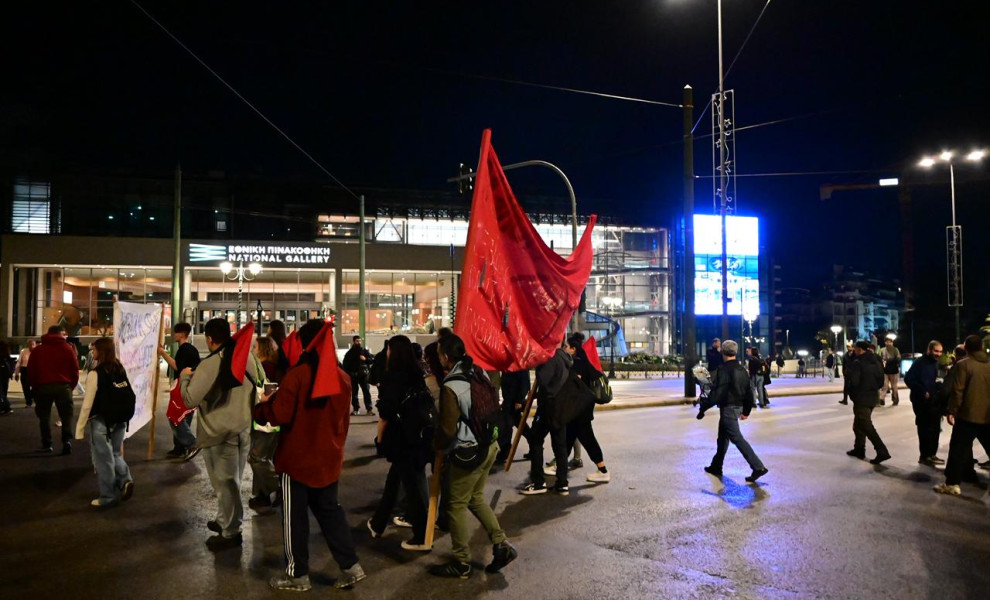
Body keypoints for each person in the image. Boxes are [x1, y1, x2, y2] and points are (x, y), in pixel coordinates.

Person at [253, 319, 366, 591]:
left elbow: (279, 416)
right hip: (328, 458)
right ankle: (350, 566)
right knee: (330, 512)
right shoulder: (343, 378)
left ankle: (297, 575)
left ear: (305, 344)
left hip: (297, 460)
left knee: (295, 518)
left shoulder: (298, 375)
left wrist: (262, 407)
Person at [429, 333, 516, 578]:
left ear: (446, 356)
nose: (439, 358)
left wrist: (436, 445)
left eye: (439, 354)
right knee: (475, 497)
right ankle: (501, 545)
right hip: (490, 445)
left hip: (468, 452)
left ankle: (462, 562)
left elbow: (447, 429)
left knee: (455, 505)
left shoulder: (450, 386)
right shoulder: (478, 372)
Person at [180, 318, 258, 551]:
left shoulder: (211, 363)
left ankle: (231, 532)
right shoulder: (248, 358)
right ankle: (225, 520)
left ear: (210, 339)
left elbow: (190, 399)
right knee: (231, 481)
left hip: (220, 431)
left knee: (226, 483)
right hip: (243, 427)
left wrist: (185, 377)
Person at [366, 335, 432, 551]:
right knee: (395, 481)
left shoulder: (392, 377)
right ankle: (377, 524)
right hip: (419, 435)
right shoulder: (417, 374)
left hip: (402, 439)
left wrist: (380, 439)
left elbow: (385, 414)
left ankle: (422, 536)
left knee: (412, 487)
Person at [74, 338, 135, 507]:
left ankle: (108, 496)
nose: (92, 353)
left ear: (101, 352)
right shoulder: (119, 368)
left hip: (102, 422)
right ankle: (125, 480)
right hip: (120, 420)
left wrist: (79, 429)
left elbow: (87, 404)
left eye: (94, 350)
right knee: (115, 454)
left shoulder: (96, 373)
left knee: (104, 460)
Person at [701, 340, 768, 482]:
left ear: (723, 352)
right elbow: (749, 392)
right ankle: (716, 466)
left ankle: (757, 466)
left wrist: (703, 407)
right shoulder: (742, 369)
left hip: (728, 408)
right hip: (737, 408)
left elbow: (718, 393)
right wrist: (746, 411)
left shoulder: (724, 370)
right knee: (722, 439)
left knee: (736, 438)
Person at [934, 335, 990, 496]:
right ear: (981, 347)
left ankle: (952, 483)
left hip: (968, 416)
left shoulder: (963, 365)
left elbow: (957, 391)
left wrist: (952, 411)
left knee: (958, 450)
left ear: (966, 348)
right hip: (987, 416)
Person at [552, 332, 610, 483]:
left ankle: (603, 470)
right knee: (569, 436)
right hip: (581, 407)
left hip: (580, 408)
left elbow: (574, 383)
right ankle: (559, 464)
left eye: (566, 347)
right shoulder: (583, 359)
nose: (564, 348)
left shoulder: (577, 362)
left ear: (573, 349)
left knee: (587, 438)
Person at [520, 342, 574, 496]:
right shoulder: (565, 358)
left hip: (548, 407)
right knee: (560, 446)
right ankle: (562, 483)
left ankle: (538, 482)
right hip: (560, 406)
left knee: (535, 440)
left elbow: (543, 380)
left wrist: (539, 366)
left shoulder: (551, 358)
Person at [29, 326, 79, 455]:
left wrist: (35, 387)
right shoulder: (67, 348)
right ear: (60, 334)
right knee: (66, 416)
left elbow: (31, 371)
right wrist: (70, 386)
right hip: (63, 386)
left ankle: (47, 443)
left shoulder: (38, 350)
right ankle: (66, 441)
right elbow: (75, 370)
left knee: (44, 417)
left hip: (43, 387)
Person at [157, 322, 201, 459]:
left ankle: (191, 444)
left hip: (181, 386)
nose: (174, 335)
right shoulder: (192, 349)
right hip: (191, 387)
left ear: (182, 334)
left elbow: (177, 367)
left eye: (175, 332)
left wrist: (163, 353)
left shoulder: (184, 350)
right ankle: (179, 448)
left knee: (174, 416)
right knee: (184, 416)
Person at [248, 336, 281, 512]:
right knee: (262, 457)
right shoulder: (268, 367)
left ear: (262, 350)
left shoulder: (266, 368)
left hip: (266, 420)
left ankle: (278, 486)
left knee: (257, 457)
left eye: (255, 347)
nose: (253, 350)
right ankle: (262, 496)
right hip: (265, 418)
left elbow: (267, 395)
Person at [845, 341, 890, 464]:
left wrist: (851, 392)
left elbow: (854, 382)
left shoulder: (858, 362)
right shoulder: (876, 360)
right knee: (858, 424)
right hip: (872, 396)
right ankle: (859, 448)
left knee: (865, 425)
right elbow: (881, 381)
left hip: (861, 397)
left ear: (859, 349)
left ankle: (882, 451)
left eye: (855, 348)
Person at [904, 340, 945, 467]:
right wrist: (923, 392)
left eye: (940, 351)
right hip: (922, 402)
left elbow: (934, 380)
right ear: (929, 350)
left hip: (933, 401)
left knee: (935, 429)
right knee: (925, 429)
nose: (938, 354)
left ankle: (931, 454)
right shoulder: (920, 363)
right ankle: (926, 455)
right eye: (936, 351)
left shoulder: (935, 363)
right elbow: (908, 379)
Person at [497, 369, 531, 465]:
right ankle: (534, 444)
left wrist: (519, 400)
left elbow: (525, 383)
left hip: (515, 401)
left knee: (507, 427)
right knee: (519, 425)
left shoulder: (520, 365)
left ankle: (505, 452)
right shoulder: (508, 365)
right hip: (508, 400)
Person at [342, 335, 374, 416]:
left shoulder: (364, 351)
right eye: (357, 341)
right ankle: (356, 409)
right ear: (354, 341)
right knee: (354, 393)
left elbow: (372, 360)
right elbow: (345, 365)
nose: (359, 343)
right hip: (354, 376)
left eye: (359, 341)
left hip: (363, 376)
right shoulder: (350, 353)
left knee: (366, 392)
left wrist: (365, 359)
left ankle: (369, 409)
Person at [14, 339, 37, 408]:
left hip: (34, 370)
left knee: (36, 386)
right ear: (28, 345)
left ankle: (31, 396)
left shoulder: (37, 351)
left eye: (33, 344)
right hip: (25, 369)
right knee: (25, 387)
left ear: (35, 345)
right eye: (30, 344)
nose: (31, 346)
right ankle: (28, 402)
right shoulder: (23, 351)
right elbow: (19, 362)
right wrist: (17, 373)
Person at [879, 337, 902, 406]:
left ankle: (895, 399)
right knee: (884, 386)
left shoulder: (895, 349)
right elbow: (880, 358)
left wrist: (888, 361)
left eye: (889, 342)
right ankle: (881, 399)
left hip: (894, 371)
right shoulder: (882, 350)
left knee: (894, 386)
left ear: (892, 342)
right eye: (887, 342)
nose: (888, 343)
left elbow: (898, 359)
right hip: (885, 371)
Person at [0, 340, 13, 415]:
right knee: (4, 391)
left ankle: (6, 406)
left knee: (1, 392)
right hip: (5, 375)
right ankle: (5, 406)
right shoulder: (6, 355)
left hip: (2, 374)